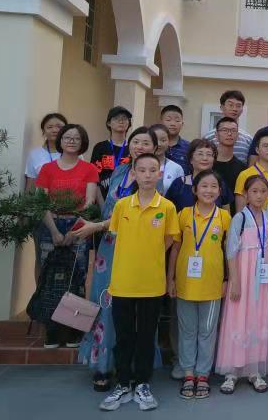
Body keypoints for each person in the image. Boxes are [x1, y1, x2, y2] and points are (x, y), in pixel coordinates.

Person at [77, 126, 161, 391]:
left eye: (145, 143)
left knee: (135, 311)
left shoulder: (153, 177)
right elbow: (109, 209)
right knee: (106, 302)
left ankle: (135, 368)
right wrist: (97, 226)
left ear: (154, 148)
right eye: (136, 142)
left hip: (137, 249)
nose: (139, 147)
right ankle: (104, 365)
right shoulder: (119, 172)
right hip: (109, 249)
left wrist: (96, 226)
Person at [99, 153, 179, 412]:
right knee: (123, 336)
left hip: (152, 284)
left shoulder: (167, 207)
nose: (147, 175)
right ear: (133, 173)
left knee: (146, 336)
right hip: (122, 282)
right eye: (141, 170)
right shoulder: (122, 206)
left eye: (152, 170)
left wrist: (151, 255)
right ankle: (123, 383)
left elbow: (169, 239)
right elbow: (115, 236)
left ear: (159, 174)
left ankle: (142, 383)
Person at [35, 123, 99, 348]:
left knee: (77, 277)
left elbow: (90, 202)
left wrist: (74, 231)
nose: (71, 141)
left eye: (77, 138)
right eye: (67, 137)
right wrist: (54, 230)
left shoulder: (89, 169)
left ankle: (73, 330)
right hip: (49, 225)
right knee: (49, 276)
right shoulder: (47, 169)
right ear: (60, 140)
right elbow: (41, 202)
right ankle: (51, 331)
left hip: (78, 226)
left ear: (83, 143)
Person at [167, 170, 230, 401]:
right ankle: (188, 373)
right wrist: (170, 279)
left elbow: (229, 252)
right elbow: (175, 248)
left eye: (214, 186)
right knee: (187, 331)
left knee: (207, 332)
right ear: (194, 190)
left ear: (220, 191)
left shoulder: (224, 217)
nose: (208, 191)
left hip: (212, 285)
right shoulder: (183, 214)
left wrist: (227, 280)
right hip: (185, 283)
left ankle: (203, 374)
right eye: (204, 186)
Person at [217, 175, 268, 394]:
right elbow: (231, 252)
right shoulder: (239, 218)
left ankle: (254, 370)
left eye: (263, 191)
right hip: (243, 275)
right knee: (238, 318)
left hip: (261, 278)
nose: (259, 196)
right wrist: (235, 282)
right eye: (254, 191)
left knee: (258, 318)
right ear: (245, 194)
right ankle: (232, 372)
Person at [165, 139, 233, 212]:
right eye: (200, 154)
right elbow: (168, 211)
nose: (205, 158)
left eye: (209, 154)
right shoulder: (179, 184)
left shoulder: (220, 184)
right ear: (191, 159)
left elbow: (227, 213)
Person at [234, 128, 268, 214]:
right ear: (257, 150)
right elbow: (240, 211)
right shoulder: (245, 175)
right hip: (252, 221)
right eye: (265, 146)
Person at [91, 106, 132, 199]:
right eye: (116, 118)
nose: (121, 121)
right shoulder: (100, 147)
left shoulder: (133, 148)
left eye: (124, 118)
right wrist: (102, 205)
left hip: (126, 199)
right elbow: (94, 178)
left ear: (129, 123)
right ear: (109, 123)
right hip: (103, 198)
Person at [204, 90, 253, 163]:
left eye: (238, 106)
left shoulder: (248, 139)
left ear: (242, 109)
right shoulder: (209, 137)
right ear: (222, 107)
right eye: (230, 105)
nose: (234, 109)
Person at [24, 112, 67, 191]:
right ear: (43, 131)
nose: (54, 130)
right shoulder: (34, 154)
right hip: (42, 198)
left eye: (59, 127)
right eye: (49, 127)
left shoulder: (74, 154)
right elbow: (30, 187)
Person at [212, 117, 247, 196]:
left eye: (233, 130)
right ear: (216, 135)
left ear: (238, 135)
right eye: (225, 130)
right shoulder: (207, 164)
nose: (229, 134)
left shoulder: (242, 169)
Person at [150, 123, 184, 192]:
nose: (159, 144)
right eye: (155, 140)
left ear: (169, 142)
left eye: (163, 140)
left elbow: (179, 194)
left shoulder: (176, 168)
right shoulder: (139, 165)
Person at [161, 105, 191, 174]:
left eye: (177, 121)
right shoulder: (154, 145)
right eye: (168, 120)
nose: (173, 124)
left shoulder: (189, 147)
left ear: (182, 124)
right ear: (161, 122)